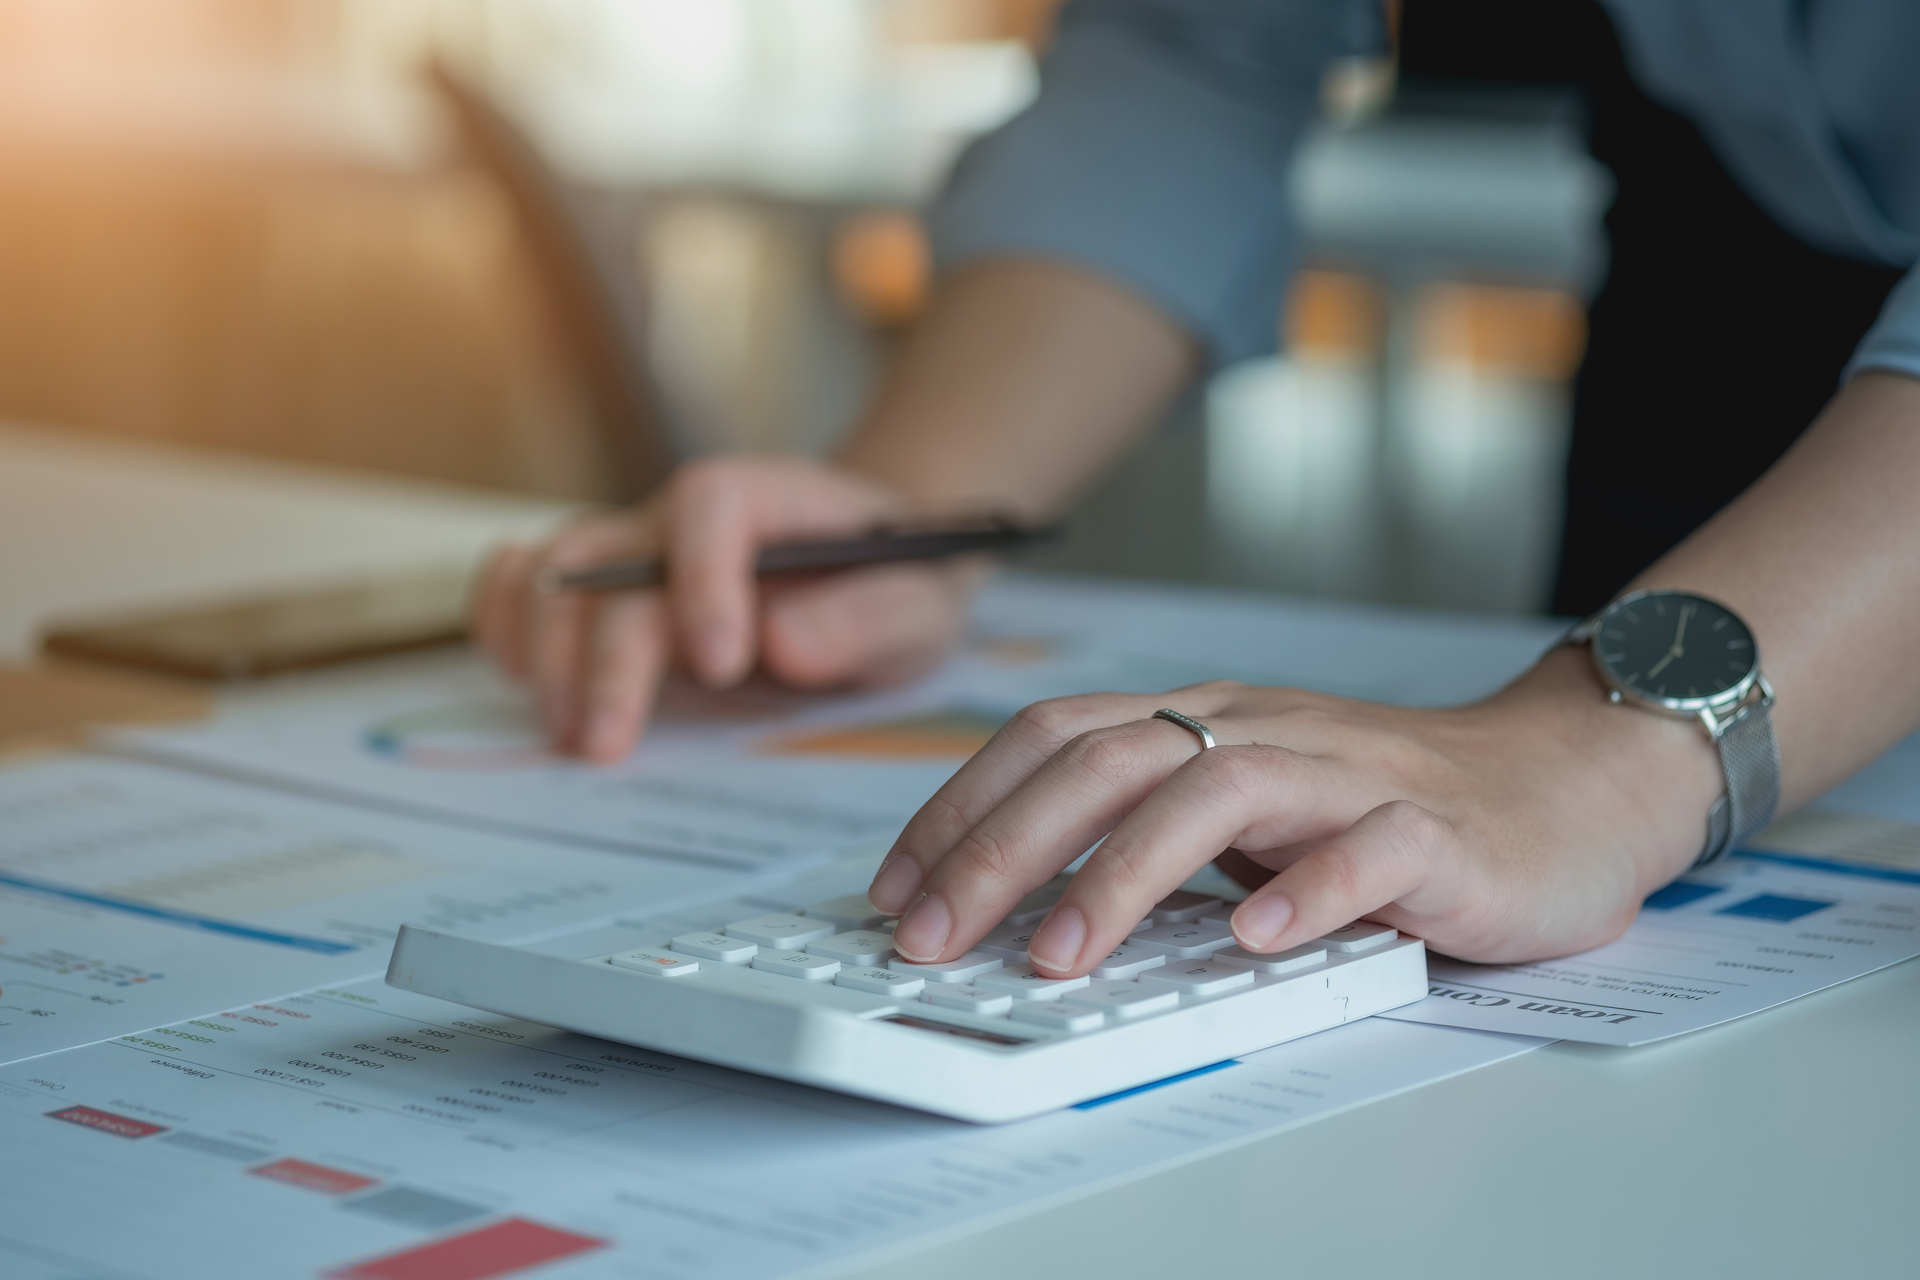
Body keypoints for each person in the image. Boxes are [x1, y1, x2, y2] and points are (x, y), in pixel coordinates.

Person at [473, 0, 1920, 976]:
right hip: (1729, 287)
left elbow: (1580, 782)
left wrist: (1610, 752)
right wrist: (910, 504)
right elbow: (1194, 47)